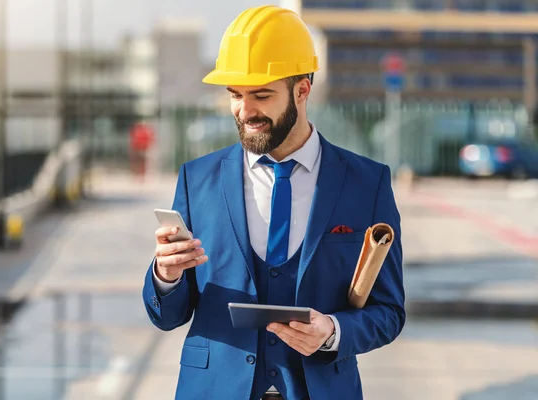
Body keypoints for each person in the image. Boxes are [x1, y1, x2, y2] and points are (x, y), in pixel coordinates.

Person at [142, 5, 405, 400]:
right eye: (235, 95)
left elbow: (389, 312)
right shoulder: (197, 181)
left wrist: (333, 331)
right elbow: (168, 316)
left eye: (261, 95)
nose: (245, 111)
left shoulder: (367, 183)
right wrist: (167, 276)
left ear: (302, 89)